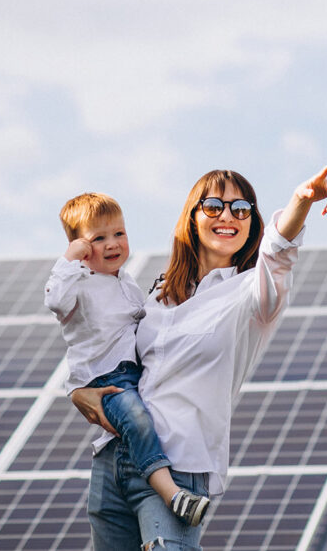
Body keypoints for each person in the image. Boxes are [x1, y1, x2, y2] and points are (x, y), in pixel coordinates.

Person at [71, 159, 327, 550]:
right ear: (193, 218)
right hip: (115, 457)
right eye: (214, 206)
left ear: (252, 223)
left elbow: (279, 253)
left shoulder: (253, 295)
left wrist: (301, 201)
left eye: (241, 209)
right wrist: (80, 392)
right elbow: (111, 354)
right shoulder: (158, 293)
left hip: (180, 465)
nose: (228, 216)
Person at [44, 192, 211, 527]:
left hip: (131, 374)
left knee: (145, 417)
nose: (112, 244)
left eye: (119, 234)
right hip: (104, 379)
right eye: (99, 238)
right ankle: (172, 495)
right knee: (137, 420)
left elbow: (143, 321)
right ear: (81, 247)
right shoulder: (78, 283)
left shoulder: (126, 282)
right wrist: (69, 260)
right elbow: (56, 302)